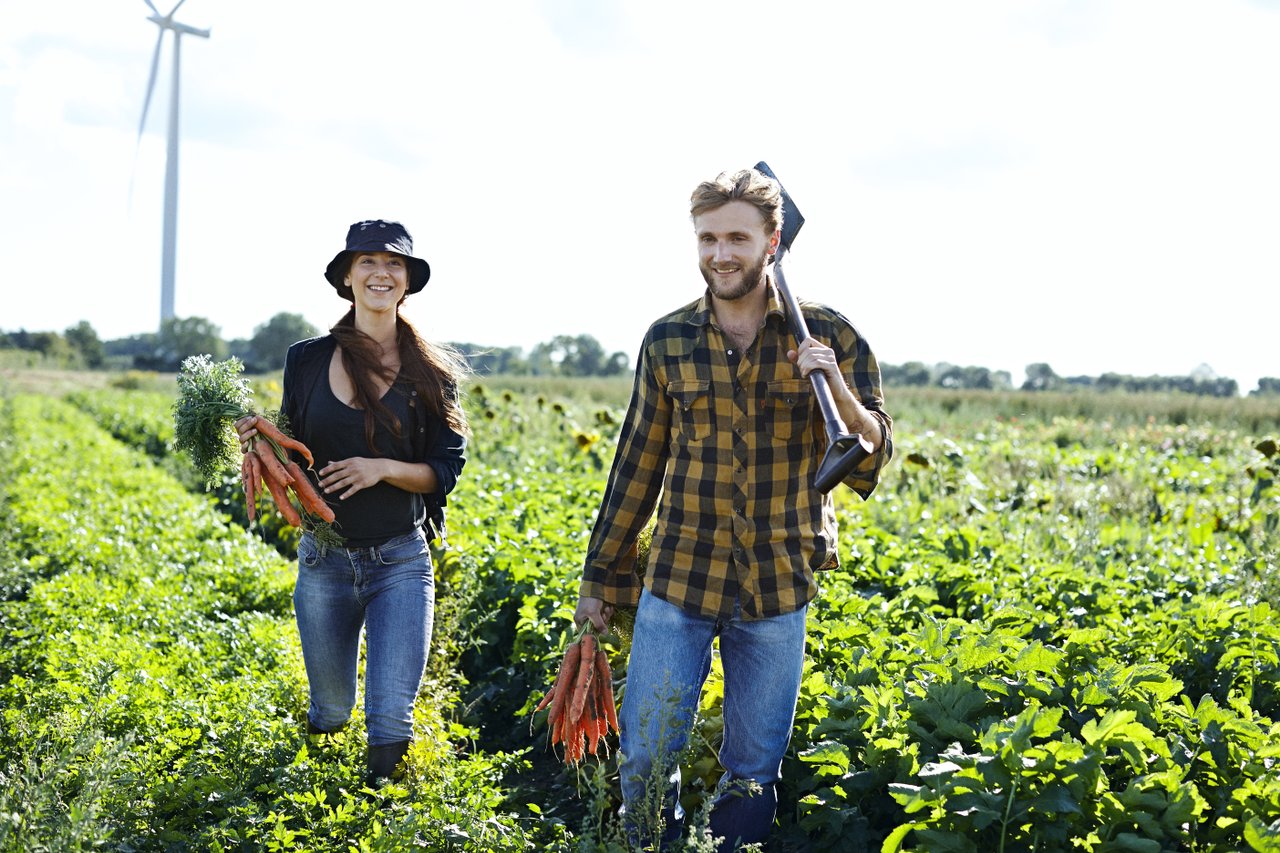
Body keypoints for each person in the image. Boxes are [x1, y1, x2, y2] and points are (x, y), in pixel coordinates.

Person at [574, 168, 893, 850]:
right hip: (679, 578)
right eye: (708, 238)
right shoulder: (668, 340)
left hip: (777, 583)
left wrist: (834, 382)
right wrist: (600, 577)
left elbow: (870, 455)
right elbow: (636, 466)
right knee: (645, 758)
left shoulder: (828, 334)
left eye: (737, 239)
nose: (720, 254)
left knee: (752, 771)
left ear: (772, 242)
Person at [236, 219, 469, 785]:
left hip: (400, 562)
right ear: (346, 276)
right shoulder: (306, 360)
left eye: (394, 263)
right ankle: (315, 811)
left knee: (390, 717)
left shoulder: (431, 373)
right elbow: (293, 445)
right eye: (367, 261)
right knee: (332, 710)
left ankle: (379, 811)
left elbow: (445, 470)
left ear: (407, 280)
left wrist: (380, 468)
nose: (380, 272)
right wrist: (261, 441)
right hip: (325, 560)